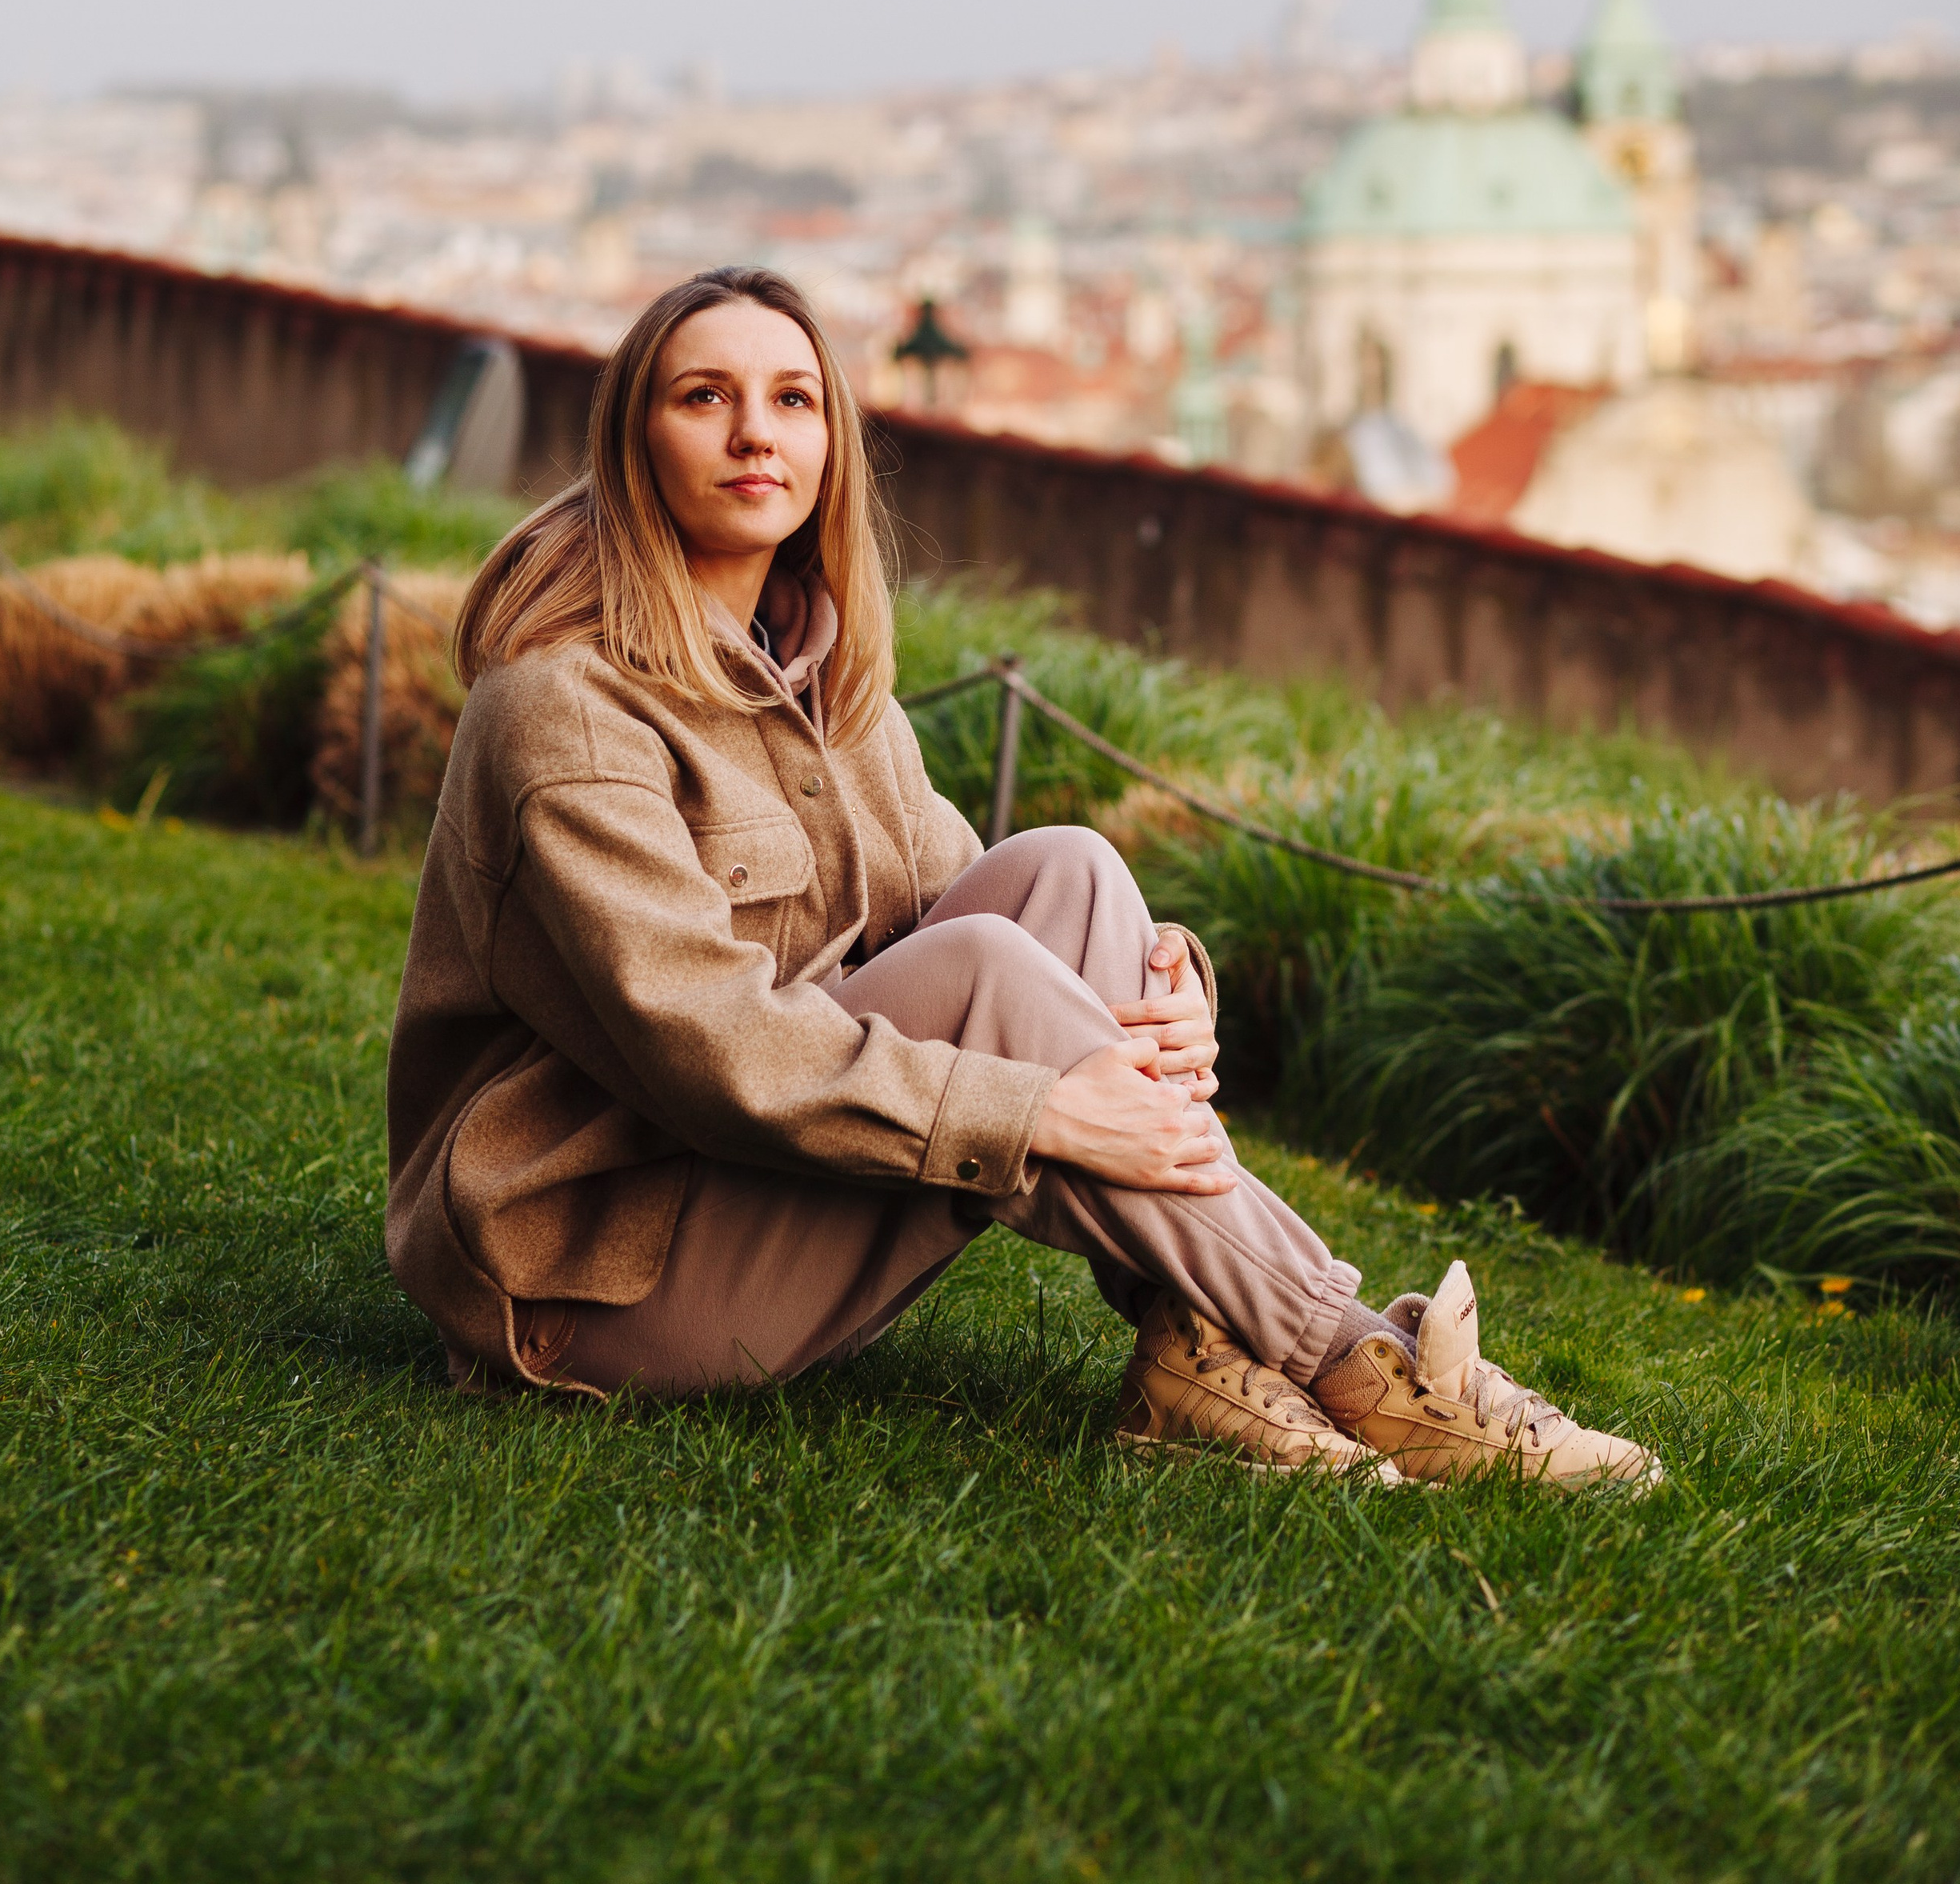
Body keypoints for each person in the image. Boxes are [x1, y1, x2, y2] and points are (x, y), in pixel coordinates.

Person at [386, 266, 1661, 1490]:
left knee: (1073, 874)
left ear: (831, 443)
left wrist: (1168, 992)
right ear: (634, 440)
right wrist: (1039, 1112)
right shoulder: (565, 706)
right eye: (703, 396)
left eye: (793, 399)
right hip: (587, 1281)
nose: (752, 435)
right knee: (998, 974)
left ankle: (1201, 1350)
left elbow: (984, 904)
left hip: (749, 1200)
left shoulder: (824, 682)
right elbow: (703, 1045)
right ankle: (1352, 1354)